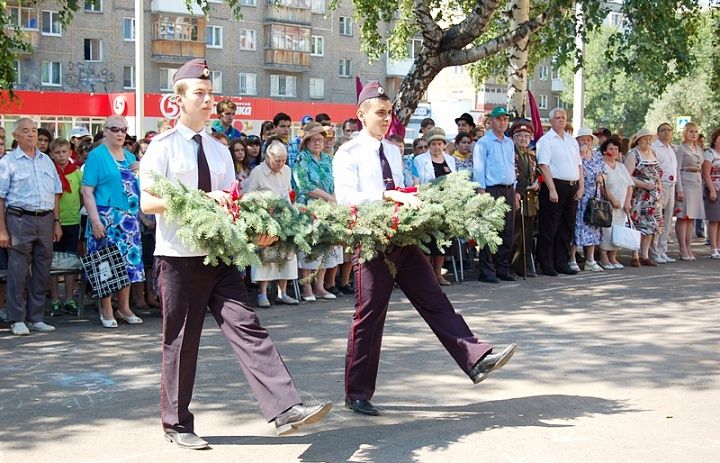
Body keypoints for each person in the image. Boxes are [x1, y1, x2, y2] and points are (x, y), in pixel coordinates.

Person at [139, 59, 330, 450]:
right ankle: (177, 423)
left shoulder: (220, 150)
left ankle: (285, 408)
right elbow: (147, 202)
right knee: (181, 339)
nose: (209, 101)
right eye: (200, 94)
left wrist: (252, 229)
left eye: (211, 95)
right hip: (179, 256)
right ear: (178, 100)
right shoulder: (162, 147)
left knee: (247, 327)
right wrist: (199, 199)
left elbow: (232, 202)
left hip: (221, 255)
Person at [333, 81, 516, 416]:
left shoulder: (391, 150)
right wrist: (388, 197)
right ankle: (357, 392)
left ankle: (475, 359)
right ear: (361, 114)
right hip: (373, 242)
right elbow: (345, 198)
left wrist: (415, 198)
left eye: (389, 113)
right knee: (369, 318)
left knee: (435, 299)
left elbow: (402, 186)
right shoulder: (348, 153)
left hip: (403, 238)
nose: (386, 119)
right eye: (380, 113)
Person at [0, 117, 62, 335]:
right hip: (19, 219)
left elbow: (56, 193)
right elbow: (0, 197)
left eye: (34, 130)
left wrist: (56, 222)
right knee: (18, 270)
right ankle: (17, 318)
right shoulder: (8, 162)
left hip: (45, 219)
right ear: (15, 135)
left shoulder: (46, 160)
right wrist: (2, 229)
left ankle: (36, 317)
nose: (32, 134)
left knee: (43, 268)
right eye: (25, 131)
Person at [82, 115, 145, 328]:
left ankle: (124, 307)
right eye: (115, 129)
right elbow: (87, 190)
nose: (120, 133)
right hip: (106, 219)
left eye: (123, 129)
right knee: (106, 265)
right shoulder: (97, 156)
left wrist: (140, 170)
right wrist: (95, 221)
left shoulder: (128, 156)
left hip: (129, 221)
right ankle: (107, 308)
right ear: (106, 130)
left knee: (127, 264)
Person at [245, 138, 300, 308]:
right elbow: (248, 196)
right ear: (268, 156)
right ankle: (262, 293)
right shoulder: (257, 172)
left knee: (287, 255)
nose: (281, 164)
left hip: (284, 216)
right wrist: (263, 207)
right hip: (264, 218)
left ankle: (282, 292)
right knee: (265, 257)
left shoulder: (287, 170)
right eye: (277, 160)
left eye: (283, 160)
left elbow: (287, 192)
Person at [293, 122, 342, 301]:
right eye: (313, 140)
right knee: (308, 247)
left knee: (325, 245)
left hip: (328, 207)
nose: (317, 143)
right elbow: (304, 185)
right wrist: (328, 198)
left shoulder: (329, 159)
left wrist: (334, 198)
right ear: (306, 142)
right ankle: (307, 287)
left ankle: (320, 286)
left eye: (320, 139)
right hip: (308, 207)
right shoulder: (302, 159)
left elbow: (336, 181)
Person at [536, 108, 583, 276]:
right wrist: (552, 189)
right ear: (551, 121)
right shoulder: (546, 140)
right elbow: (543, 166)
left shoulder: (571, 141)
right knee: (549, 227)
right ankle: (546, 263)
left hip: (572, 186)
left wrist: (581, 187)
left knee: (566, 227)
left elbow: (579, 165)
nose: (561, 120)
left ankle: (561, 262)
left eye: (563, 117)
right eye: (557, 118)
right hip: (555, 186)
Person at [473, 106, 517, 282]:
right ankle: (487, 271)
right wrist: (481, 192)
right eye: (499, 119)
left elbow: (511, 167)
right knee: (490, 231)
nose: (503, 122)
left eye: (505, 119)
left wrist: (514, 190)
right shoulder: (484, 143)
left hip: (508, 189)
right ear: (491, 121)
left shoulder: (509, 142)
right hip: (491, 189)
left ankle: (502, 268)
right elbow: (478, 169)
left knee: (507, 230)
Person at [414, 127, 456, 285]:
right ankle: (426, 276)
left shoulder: (450, 160)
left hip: (446, 205)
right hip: (428, 204)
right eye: (433, 144)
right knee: (427, 242)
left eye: (440, 143)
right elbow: (417, 182)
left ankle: (438, 274)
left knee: (442, 242)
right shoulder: (420, 160)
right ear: (429, 144)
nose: (437, 147)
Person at [48, 138, 83, 317]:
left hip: (73, 222)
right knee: (53, 262)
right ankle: (54, 299)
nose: (61, 156)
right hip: (54, 223)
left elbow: (82, 195)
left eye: (64, 152)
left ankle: (69, 299)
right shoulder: (49, 172)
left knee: (70, 261)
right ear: (52, 154)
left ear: (70, 153)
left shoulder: (77, 173)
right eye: (57, 153)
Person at [624, 128, 663, 267]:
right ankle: (635, 255)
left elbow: (658, 175)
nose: (648, 141)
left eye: (649, 138)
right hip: (639, 196)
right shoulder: (633, 154)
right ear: (638, 140)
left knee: (651, 226)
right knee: (638, 225)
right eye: (645, 138)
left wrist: (660, 192)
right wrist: (644, 184)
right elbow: (627, 176)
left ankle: (645, 255)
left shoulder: (653, 153)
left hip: (654, 197)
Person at [568, 128, 605, 272]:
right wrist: (582, 155)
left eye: (588, 139)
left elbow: (604, 172)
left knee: (593, 226)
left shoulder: (597, 155)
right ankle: (572, 258)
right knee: (576, 226)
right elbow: (574, 169)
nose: (586, 142)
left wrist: (602, 177)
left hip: (594, 195)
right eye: (582, 139)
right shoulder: (574, 154)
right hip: (579, 194)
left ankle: (590, 259)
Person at [510, 120, 539, 277]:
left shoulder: (531, 155)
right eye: (520, 135)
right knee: (516, 235)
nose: (523, 139)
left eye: (526, 136)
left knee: (527, 235)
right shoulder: (511, 154)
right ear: (514, 137)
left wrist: (536, 186)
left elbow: (536, 175)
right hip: (517, 196)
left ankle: (524, 267)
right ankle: (512, 267)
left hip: (530, 200)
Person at [674, 122, 705, 260]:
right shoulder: (681, 149)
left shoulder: (698, 148)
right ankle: (682, 248)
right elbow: (677, 169)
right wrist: (679, 189)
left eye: (696, 131)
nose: (694, 134)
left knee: (691, 217)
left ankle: (689, 246)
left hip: (697, 182)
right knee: (683, 217)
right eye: (691, 131)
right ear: (685, 133)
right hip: (686, 182)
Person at [649, 122, 678, 263]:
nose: (666, 133)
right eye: (663, 130)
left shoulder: (671, 149)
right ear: (658, 133)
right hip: (661, 186)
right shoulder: (655, 148)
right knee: (658, 219)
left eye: (669, 130)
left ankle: (662, 250)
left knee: (667, 222)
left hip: (672, 185)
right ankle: (653, 252)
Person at [701, 128, 720, 258]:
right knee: (714, 219)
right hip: (714, 189)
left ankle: (719, 246)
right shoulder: (709, 154)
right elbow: (706, 174)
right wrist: (712, 190)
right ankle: (713, 248)